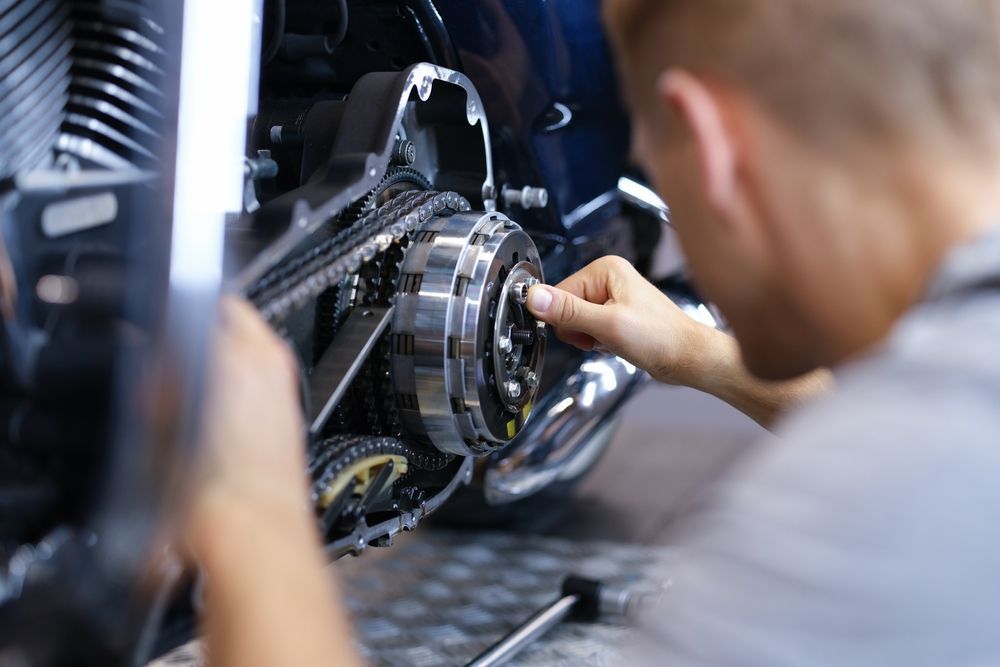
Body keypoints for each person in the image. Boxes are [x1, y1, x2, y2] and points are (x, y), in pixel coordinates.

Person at [186, 0, 1000, 664]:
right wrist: (704, 356)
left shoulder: (847, 536)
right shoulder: (946, 438)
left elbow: (894, 475)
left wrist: (252, 509)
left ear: (712, 150)